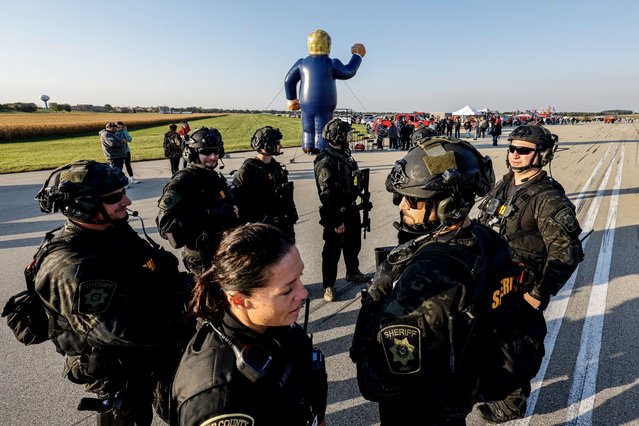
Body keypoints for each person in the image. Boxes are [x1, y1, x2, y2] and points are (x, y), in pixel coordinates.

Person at [350, 137, 545, 425]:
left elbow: (378, 383)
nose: (402, 205)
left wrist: (377, 293)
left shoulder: (428, 277)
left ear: (448, 206)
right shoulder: (486, 239)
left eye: (413, 199)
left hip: (422, 408)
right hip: (460, 391)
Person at [31, 160, 186, 425]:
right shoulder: (68, 264)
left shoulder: (114, 232)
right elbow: (114, 328)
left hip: (154, 348)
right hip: (118, 367)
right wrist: (185, 316)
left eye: (122, 192)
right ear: (83, 205)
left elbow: (161, 273)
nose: (126, 200)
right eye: (115, 197)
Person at [170, 223, 328, 426]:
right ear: (239, 300)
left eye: (300, 278)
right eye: (287, 289)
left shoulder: (273, 324)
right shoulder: (220, 398)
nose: (303, 293)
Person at [476, 124, 583, 422]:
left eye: (523, 150)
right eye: (511, 148)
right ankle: (491, 386)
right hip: (495, 278)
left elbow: (566, 252)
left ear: (542, 155)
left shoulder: (548, 198)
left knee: (515, 347)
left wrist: (539, 294)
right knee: (487, 338)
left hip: (524, 286)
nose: (514, 155)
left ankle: (511, 406)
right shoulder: (506, 184)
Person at [156, 126, 239, 276]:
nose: (213, 157)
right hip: (203, 259)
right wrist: (213, 213)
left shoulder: (213, 177)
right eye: (206, 152)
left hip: (225, 251)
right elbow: (165, 225)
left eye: (216, 151)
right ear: (192, 152)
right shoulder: (182, 182)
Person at [313, 118, 369, 302]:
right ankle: (328, 285)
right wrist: (336, 220)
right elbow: (326, 194)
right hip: (336, 212)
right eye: (346, 134)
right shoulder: (325, 160)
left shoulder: (346, 154)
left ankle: (352, 271)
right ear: (337, 136)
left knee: (353, 244)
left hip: (351, 208)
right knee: (332, 251)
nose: (349, 137)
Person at [285, 29, 366, 153]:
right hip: (325, 102)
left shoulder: (302, 63)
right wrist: (357, 55)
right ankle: (322, 146)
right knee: (323, 126)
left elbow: (288, 80)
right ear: (328, 45)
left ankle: (308, 145)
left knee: (307, 127)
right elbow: (349, 71)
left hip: (305, 102)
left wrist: (291, 99)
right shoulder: (331, 63)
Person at [232, 126, 299, 240]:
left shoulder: (276, 167)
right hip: (262, 231)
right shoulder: (248, 170)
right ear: (267, 145)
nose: (280, 145)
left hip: (282, 227)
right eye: (277, 142)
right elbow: (239, 202)